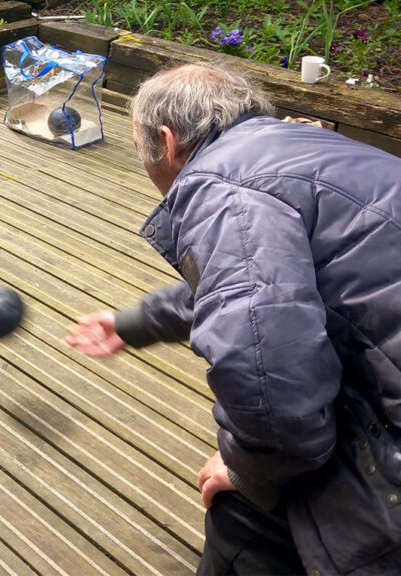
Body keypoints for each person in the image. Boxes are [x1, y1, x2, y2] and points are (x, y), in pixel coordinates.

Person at [66, 62, 401, 575]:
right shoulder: (306, 149)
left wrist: (248, 473)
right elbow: (265, 285)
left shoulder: (222, 189)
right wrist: (133, 323)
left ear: (167, 142)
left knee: (245, 514)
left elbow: (272, 396)